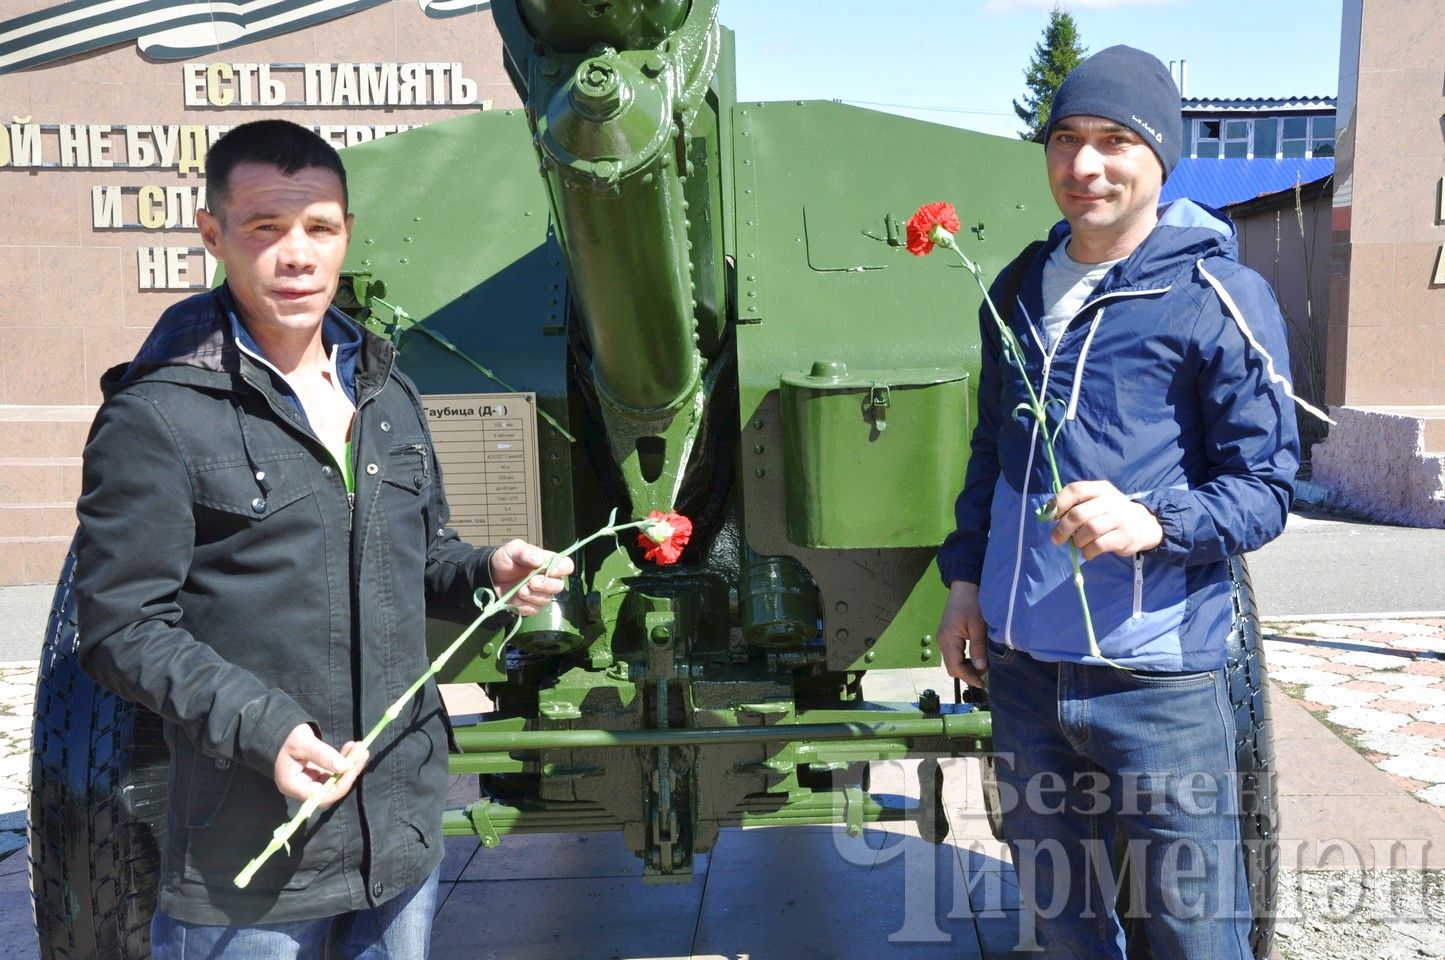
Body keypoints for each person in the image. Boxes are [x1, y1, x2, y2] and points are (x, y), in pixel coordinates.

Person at [75, 118, 573, 958]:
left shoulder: (387, 392)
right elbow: (122, 629)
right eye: (265, 228)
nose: (297, 255)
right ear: (213, 234)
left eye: (320, 227)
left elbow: (420, 561)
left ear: (346, 233)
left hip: (401, 834)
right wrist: (267, 730)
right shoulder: (156, 416)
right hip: (254, 858)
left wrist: (488, 570)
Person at [935, 46, 1303, 958]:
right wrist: (965, 586)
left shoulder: (1217, 292)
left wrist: (1154, 519)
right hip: (1022, 676)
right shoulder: (1017, 288)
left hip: (1159, 682)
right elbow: (993, 455)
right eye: (1065, 140)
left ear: (1160, 155)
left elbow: (1264, 490)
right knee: (1062, 925)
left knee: (1189, 930)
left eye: (1113, 141)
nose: (1084, 166)